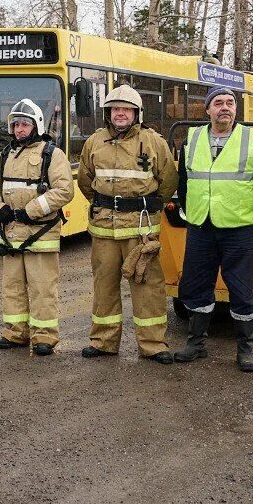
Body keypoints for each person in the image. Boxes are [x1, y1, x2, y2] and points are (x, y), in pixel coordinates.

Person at [173, 86, 253, 371]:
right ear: (207, 110)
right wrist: (191, 212)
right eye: (218, 103)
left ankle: (245, 349)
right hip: (201, 227)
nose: (225, 107)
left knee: (242, 289)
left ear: (236, 109)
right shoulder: (192, 139)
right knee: (196, 285)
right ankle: (196, 344)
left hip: (239, 228)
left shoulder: (252, 140)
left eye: (230, 103)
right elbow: (184, 182)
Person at [77, 84, 179, 363]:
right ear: (108, 113)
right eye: (115, 109)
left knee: (147, 286)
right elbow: (85, 181)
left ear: (137, 113)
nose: (120, 113)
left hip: (141, 229)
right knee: (104, 286)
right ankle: (103, 342)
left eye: (126, 109)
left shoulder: (153, 141)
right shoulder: (94, 142)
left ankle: (153, 344)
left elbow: (168, 180)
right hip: (104, 229)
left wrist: (144, 206)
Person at [0, 99, 73, 356]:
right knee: (12, 288)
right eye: (16, 124)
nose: (20, 129)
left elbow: (65, 190)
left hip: (40, 235)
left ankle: (44, 337)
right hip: (11, 235)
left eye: (25, 124)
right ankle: (15, 333)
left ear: (36, 126)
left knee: (43, 289)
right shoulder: (4, 156)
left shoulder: (52, 154)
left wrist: (30, 211)